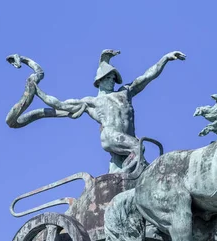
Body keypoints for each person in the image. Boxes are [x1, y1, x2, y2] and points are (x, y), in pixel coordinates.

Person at [33, 49, 186, 173]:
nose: (112, 80)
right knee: (139, 147)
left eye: (114, 78)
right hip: (111, 135)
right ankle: (143, 172)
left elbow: (146, 77)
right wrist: (37, 91)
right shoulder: (92, 101)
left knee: (121, 164)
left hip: (125, 137)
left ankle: (123, 175)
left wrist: (165, 58)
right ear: (99, 80)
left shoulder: (124, 92)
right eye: (109, 77)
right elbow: (60, 104)